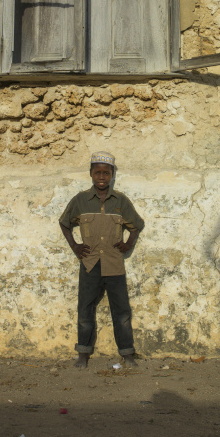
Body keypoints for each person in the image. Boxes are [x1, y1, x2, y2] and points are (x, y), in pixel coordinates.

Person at [59, 151, 144, 368]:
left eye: (106, 173)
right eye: (98, 172)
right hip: (90, 263)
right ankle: (83, 354)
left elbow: (137, 224)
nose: (102, 177)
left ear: (112, 174)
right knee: (85, 308)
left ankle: (127, 354)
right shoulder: (80, 200)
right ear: (91, 174)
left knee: (122, 310)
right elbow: (64, 223)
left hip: (114, 262)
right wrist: (75, 246)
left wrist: (129, 242)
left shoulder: (121, 201)